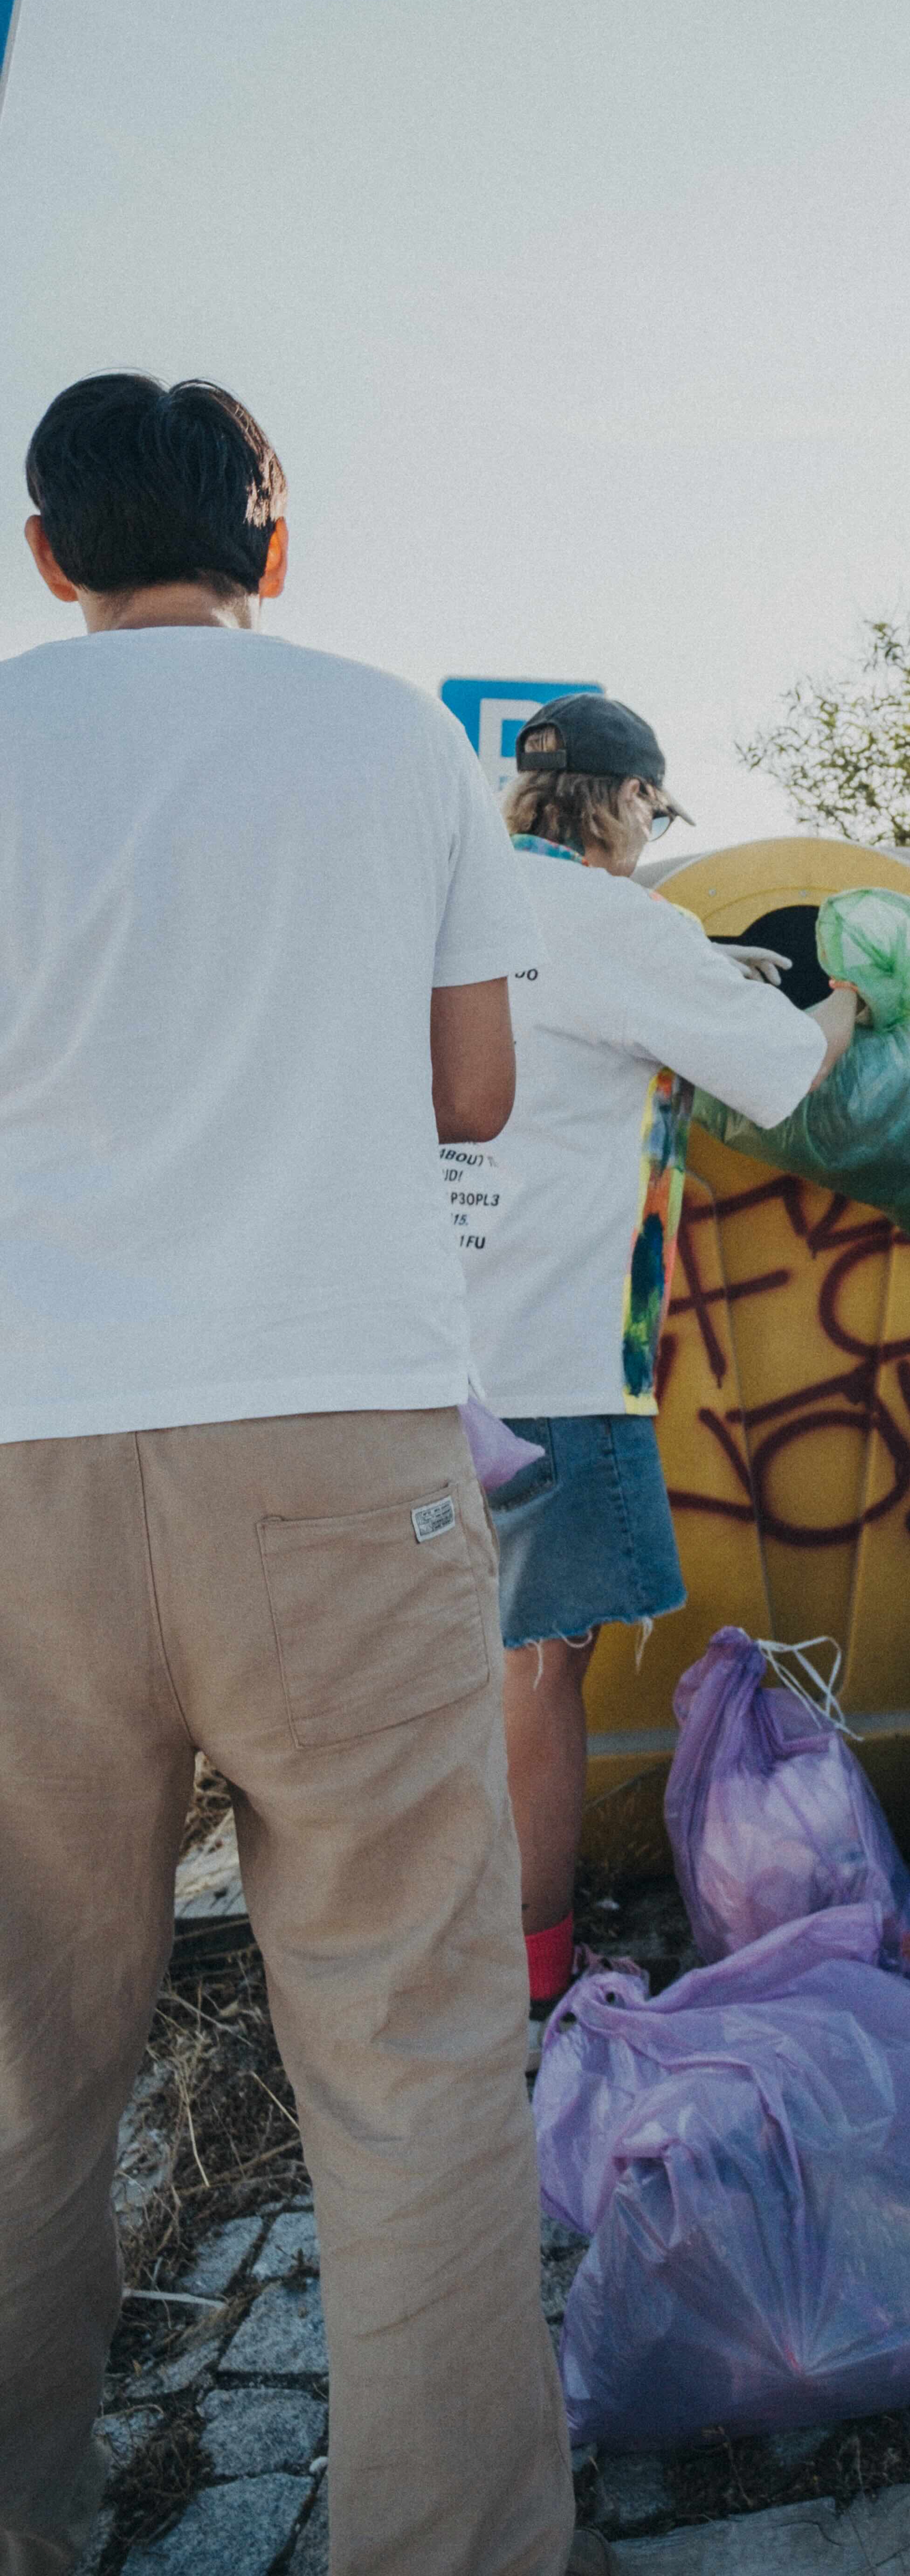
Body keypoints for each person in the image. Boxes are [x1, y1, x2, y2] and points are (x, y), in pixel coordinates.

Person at [0, 376, 605, 2576]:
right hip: (342, 1449)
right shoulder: (388, 738)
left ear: (49, 548)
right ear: (275, 543)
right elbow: (469, 1089)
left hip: (20, 1456)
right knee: (413, 2051)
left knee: (20, 2064)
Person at [443, 693, 861, 2046]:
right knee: (538, 1676)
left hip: (412, 1349)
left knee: (423, 1666)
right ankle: (533, 1972)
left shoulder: (442, 899)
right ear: (624, 802)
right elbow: (787, 1072)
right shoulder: (622, 921)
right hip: (555, 1359)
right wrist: (857, 995)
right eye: (655, 811)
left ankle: (420, 1934)